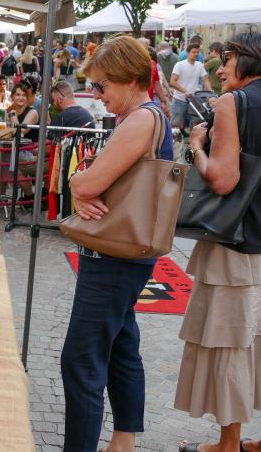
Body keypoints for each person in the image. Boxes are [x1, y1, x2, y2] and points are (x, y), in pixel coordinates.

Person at [61, 36, 174, 452]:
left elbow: (89, 181)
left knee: (81, 360)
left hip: (114, 255)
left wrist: (76, 183)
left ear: (129, 79)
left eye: (103, 85)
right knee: (123, 344)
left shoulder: (142, 118)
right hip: (127, 252)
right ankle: (124, 439)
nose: (98, 95)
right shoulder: (150, 115)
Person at [174, 32, 261, 452]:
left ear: (248, 60)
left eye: (226, 59)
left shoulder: (234, 103)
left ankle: (229, 443)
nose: (219, 68)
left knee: (232, 340)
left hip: (239, 243)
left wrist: (196, 148)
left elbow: (224, 180)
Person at [7, 82, 40, 198]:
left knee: (15, 164)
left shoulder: (32, 112)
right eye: (18, 95)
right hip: (16, 148)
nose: (21, 98)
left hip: (30, 150)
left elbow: (19, 132)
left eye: (24, 95)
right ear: (12, 97)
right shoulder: (11, 111)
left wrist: (12, 115)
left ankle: (29, 197)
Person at [170, 43, 211, 131]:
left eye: (198, 52)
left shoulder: (199, 65)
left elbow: (205, 80)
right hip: (179, 99)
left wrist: (211, 92)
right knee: (175, 124)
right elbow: (172, 82)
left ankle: (191, 141)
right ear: (188, 53)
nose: (196, 54)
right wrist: (185, 91)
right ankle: (174, 142)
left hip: (193, 100)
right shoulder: (179, 65)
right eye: (194, 52)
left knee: (194, 123)